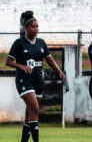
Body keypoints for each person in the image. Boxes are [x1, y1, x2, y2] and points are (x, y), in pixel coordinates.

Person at [5, 10, 66, 142]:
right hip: (24, 80)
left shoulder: (41, 43)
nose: (36, 29)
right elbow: (8, 61)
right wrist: (21, 66)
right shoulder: (19, 43)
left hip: (38, 80)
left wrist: (59, 71)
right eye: (33, 26)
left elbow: (49, 60)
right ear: (26, 28)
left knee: (30, 114)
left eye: (37, 26)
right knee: (35, 109)